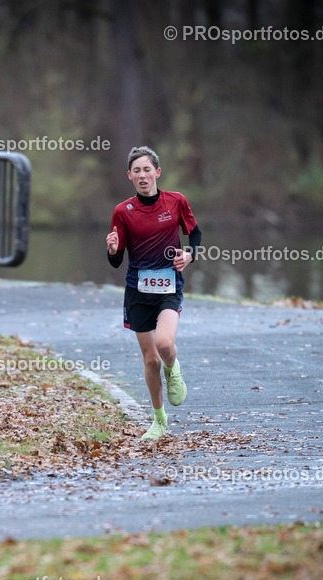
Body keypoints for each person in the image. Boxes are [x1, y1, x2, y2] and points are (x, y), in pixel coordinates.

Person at [106, 146, 202, 439]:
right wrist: (111, 249)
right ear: (130, 176)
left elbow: (194, 234)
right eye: (137, 171)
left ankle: (173, 369)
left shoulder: (176, 202)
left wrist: (190, 255)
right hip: (137, 290)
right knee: (150, 360)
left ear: (157, 172)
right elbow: (116, 260)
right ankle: (159, 421)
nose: (143, 175)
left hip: (169, 285)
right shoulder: (123, 211)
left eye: (147, 169)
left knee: (164, 343)